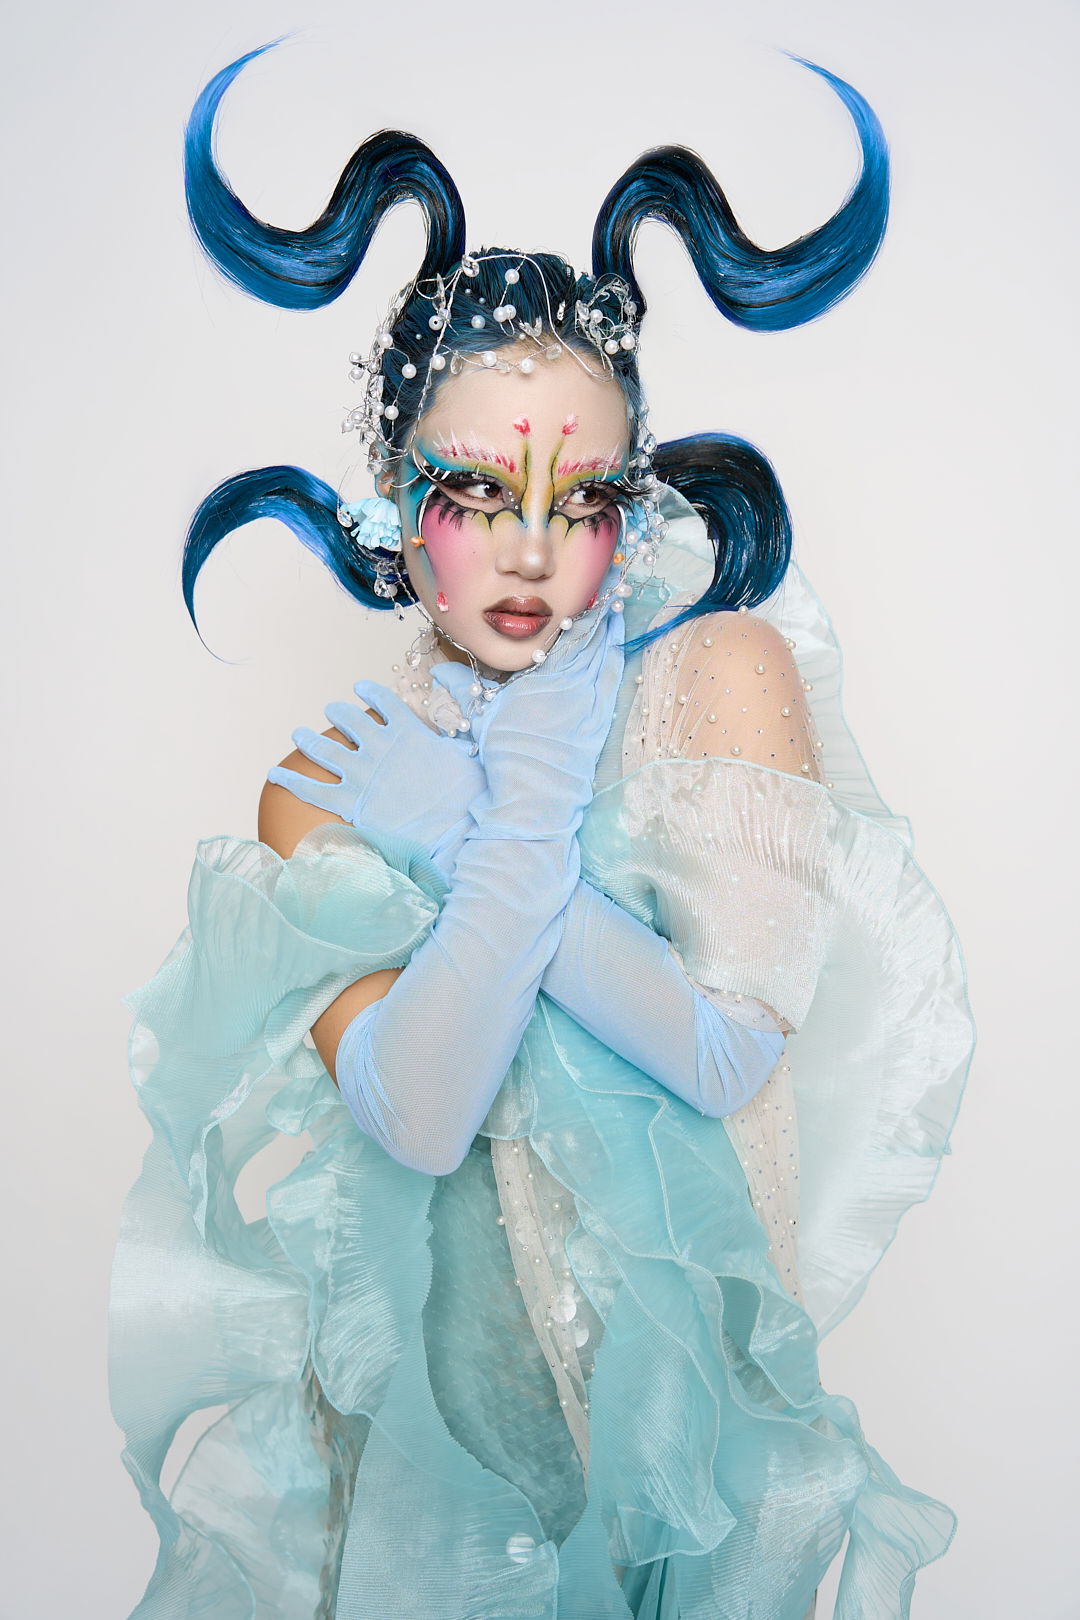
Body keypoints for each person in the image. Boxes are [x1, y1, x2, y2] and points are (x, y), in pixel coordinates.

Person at [108, 39, 975, 1620]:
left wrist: (487, 827)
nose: (526, 549)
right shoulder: (334, 778)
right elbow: (421, 1113)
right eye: (470, 492)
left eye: (579, 500)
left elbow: (724, 1056)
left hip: (680, 1493)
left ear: (629, 509)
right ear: (396, 503)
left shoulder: (717, 675)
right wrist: (499, 824)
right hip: (425, 1497)